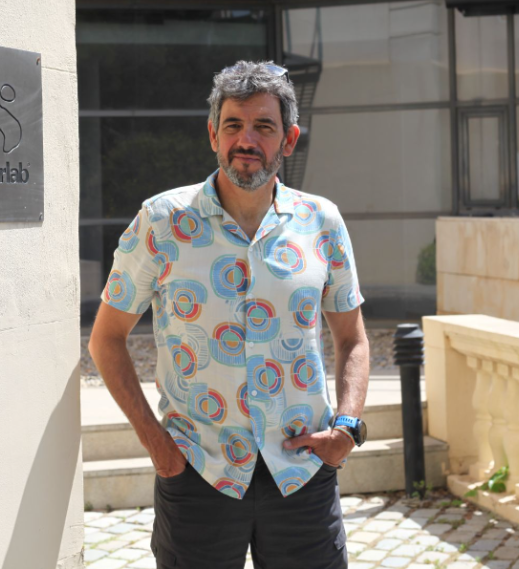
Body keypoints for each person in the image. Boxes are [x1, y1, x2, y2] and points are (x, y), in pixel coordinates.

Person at [88, 61, 370, 569]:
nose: (246, 139)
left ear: (289, 139)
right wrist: (159, 448)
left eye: (264, 126)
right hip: (197, 471)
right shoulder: (162, 221)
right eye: (234, 125)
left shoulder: (321, 221)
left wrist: (347, 428)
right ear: (212, 134)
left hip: (302, 471)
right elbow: (106, 340)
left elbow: (352, 338)